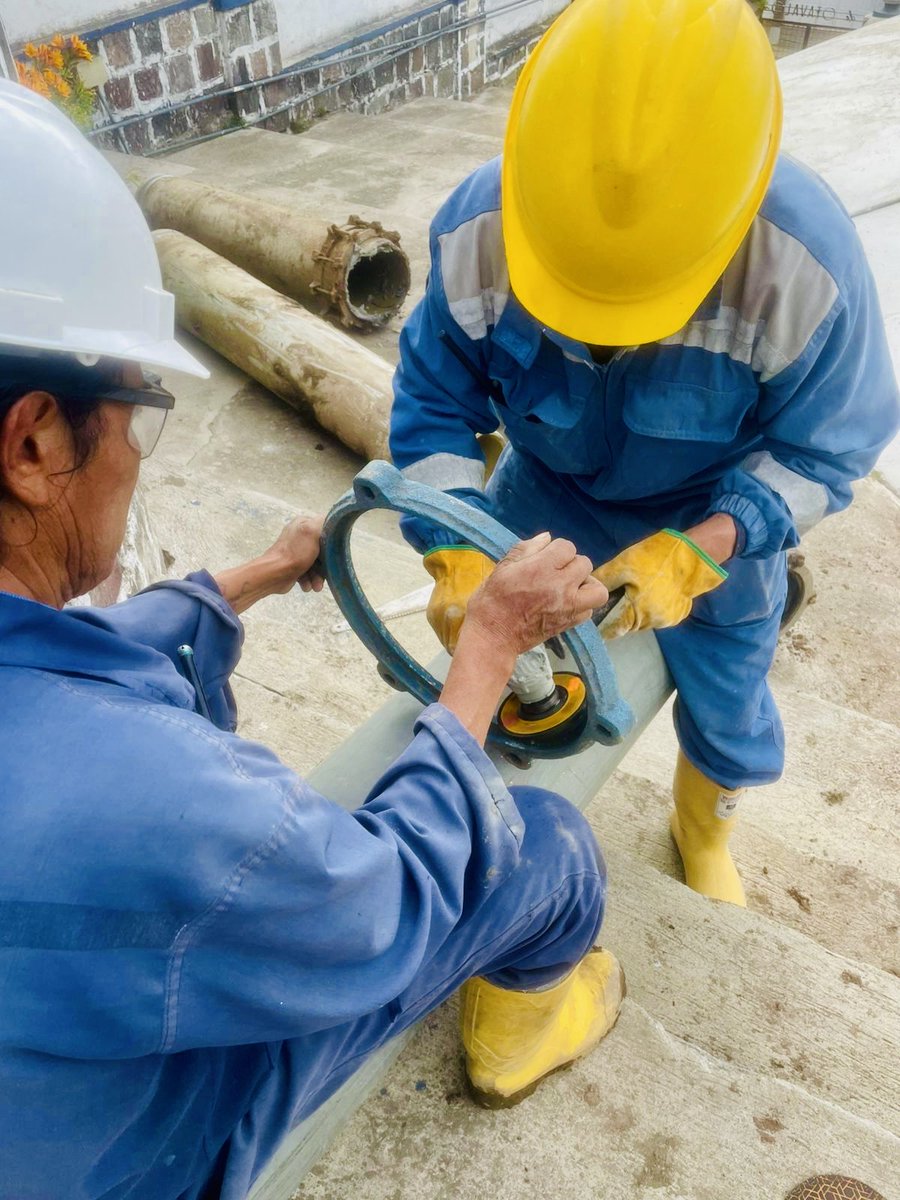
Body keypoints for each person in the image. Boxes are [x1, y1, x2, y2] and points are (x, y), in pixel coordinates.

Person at [0, 82, 626, 1200]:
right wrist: (487, 649)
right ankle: (526, 1026)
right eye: (142, 416)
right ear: (37, 441)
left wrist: (246, 582)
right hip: (139, 1154)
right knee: (539, 845)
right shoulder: (153, 800)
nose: (141, 455)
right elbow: (376, 905)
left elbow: (43, 669)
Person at [390, 0, 900, 907]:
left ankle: (705, 827)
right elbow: (432, 406)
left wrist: (706, 547)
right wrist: (457, 549)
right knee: (501, 665)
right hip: (545, 488)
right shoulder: (476, 233)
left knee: (728, 700)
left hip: (716, 513)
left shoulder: (804, 268)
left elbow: (827, 452)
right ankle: (493, 819)